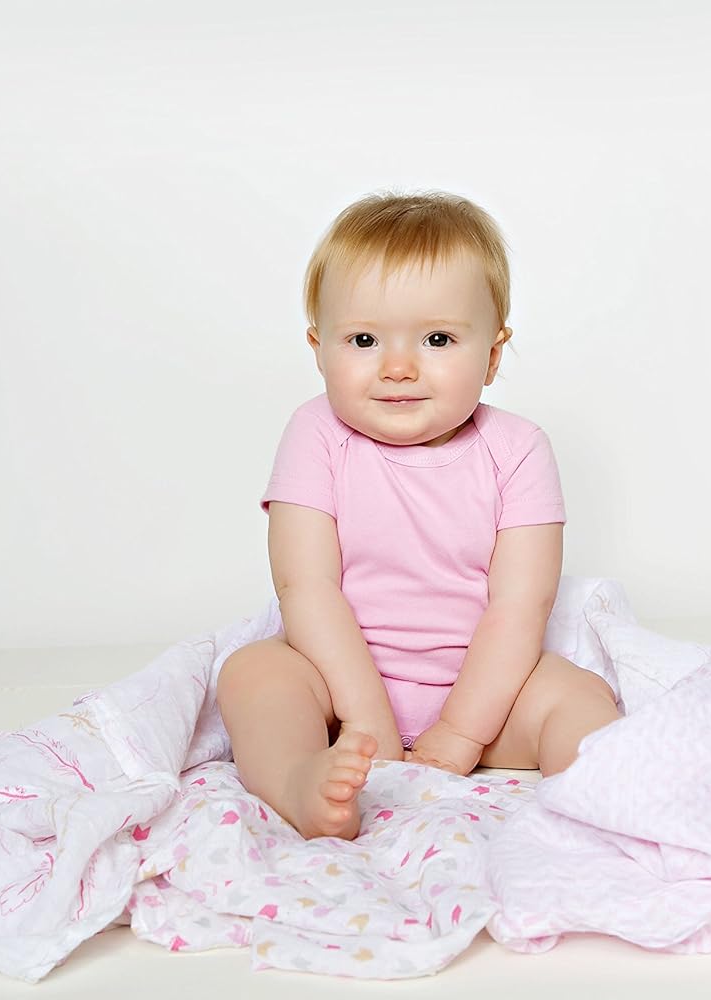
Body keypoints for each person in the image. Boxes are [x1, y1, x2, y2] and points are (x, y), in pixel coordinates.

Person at [216, 190, 623, 841]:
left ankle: (609, 802)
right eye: (364, 339)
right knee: (253, 676)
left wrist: (460, 732)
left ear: (492, 355)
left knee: (579, 696)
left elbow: (520, 606)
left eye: (437, 339)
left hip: (488, 693)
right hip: (336, 689)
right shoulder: (316, 434)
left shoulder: (517, 449)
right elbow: (305, 586)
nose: (398, 368)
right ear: (318, 348)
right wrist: (365, 719)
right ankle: (298, 781)